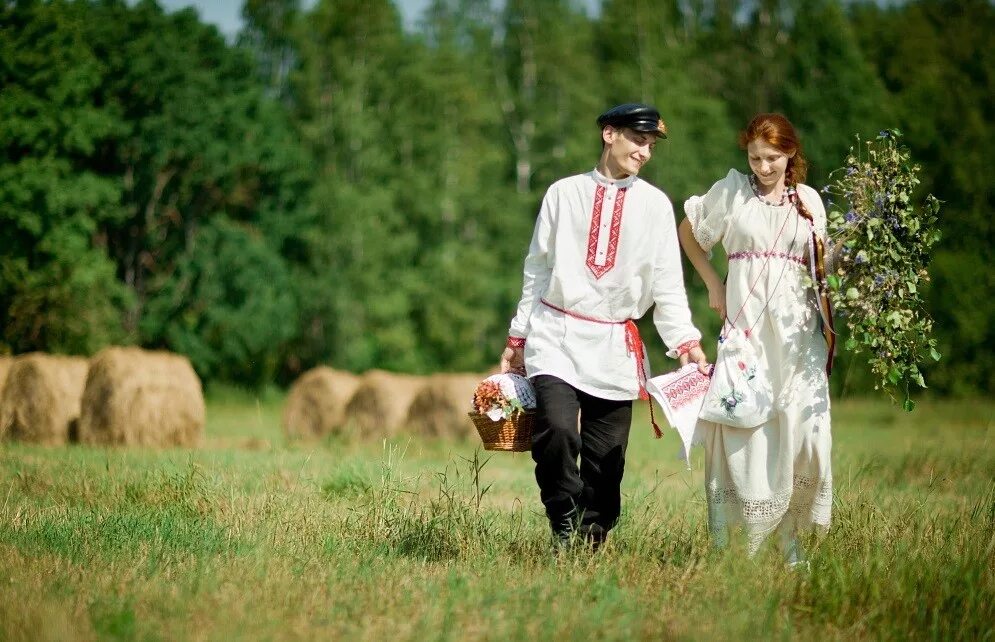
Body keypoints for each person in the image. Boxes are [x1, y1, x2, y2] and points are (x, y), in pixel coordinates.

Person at [501, 103, 709, 549]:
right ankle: (562, 517)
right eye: (638, 140)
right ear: (609, 134)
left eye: (651, 144)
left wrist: (685, 341)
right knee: (556, 430)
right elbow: (536, 270)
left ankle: (590, 543)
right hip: (555, 333)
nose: (645, 152)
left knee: (606, 462)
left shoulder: (655, 205)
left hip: (616, 342)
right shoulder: (563, 193)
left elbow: (668, 284)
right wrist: (518, 336)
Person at [677, 113, 835, 565]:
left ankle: (792, 540)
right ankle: (736, 542)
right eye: (754, 157)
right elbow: (689, 233)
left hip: (797, 330)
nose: (763, 167)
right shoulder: (731, 191)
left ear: (790, 154)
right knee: (746, 425)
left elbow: (823, 267)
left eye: (772, 158)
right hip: (747, 326)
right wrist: (712, 283)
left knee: (804, 430)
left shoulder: (808, 201)